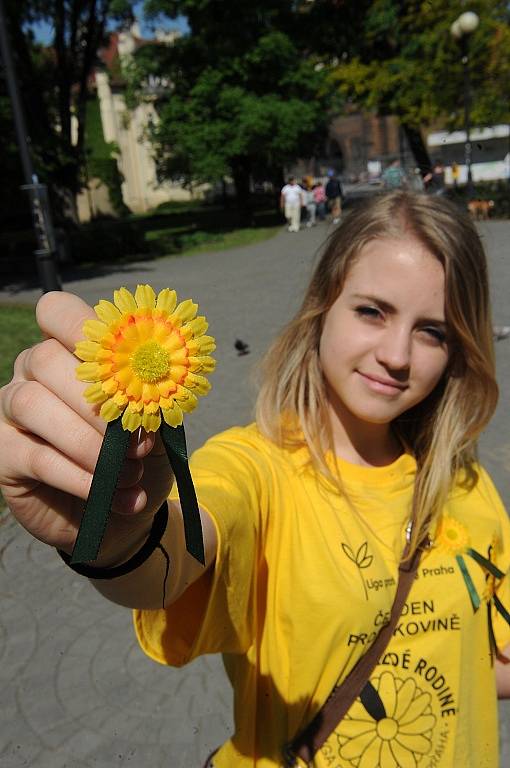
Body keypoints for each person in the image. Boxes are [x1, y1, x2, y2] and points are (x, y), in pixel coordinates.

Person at [1, 191, 510, 768]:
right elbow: (174, 549)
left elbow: (483, 659)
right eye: (372, 311)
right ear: (322, 307)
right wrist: (106, 530)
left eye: (433, 332)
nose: (397, 354)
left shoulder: (465, 483)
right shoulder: (255, 468)